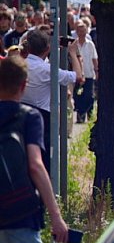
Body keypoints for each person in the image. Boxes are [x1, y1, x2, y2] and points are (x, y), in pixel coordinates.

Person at [0, 55, 69, 243]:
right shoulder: (29, 117)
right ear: (24, 85)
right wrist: (56, 216)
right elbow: (36, 167)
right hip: (20, 215)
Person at [20, 28, 84, 170]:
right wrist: (72, 53)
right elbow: (78, 76)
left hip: (20, 113)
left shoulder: (19, 64)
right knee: (43, 158)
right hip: (42, 117)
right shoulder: (47, 70)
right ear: (48, 48)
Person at [73, 18, 98, 124]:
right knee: (77, 96)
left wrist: (97, 71)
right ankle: (80, 114)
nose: (82, 33)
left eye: (84, 31)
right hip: (77, 75)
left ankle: (87, 113)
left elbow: (94, 58)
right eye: (80, 31)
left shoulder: (90, 44)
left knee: (89, 95)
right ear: (77, 32)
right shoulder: (74, 45)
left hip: (89, 74)